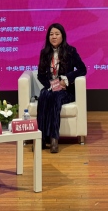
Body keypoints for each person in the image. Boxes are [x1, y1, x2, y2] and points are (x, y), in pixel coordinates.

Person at [35, 22, 87, 153]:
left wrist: (66, 80)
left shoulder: (70, 51)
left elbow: (82, 69)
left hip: (66, 90)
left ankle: (54, 139)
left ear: (62, 36)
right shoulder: (44, 53)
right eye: (51, 34)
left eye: (57, 34)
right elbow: (40, 75)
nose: (54, 37)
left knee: (55, 97)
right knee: (43, 96)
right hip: (50, 87)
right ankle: (41, 138)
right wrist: (52, 85)